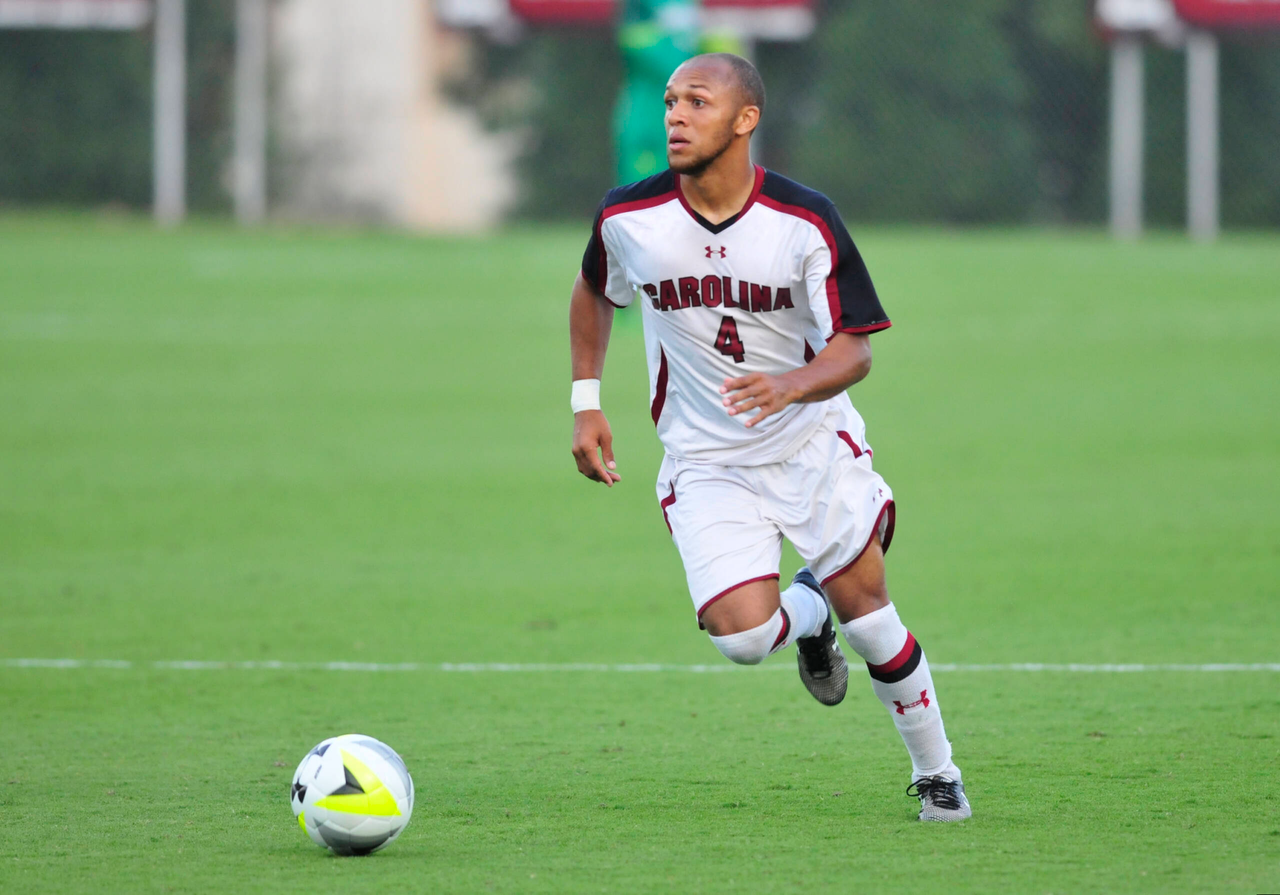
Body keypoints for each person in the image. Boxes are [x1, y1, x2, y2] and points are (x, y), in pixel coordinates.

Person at [568, 53, 970, 821]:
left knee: (872, 619)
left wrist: (791, 384)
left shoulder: (803, 220)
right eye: (670, 101)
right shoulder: (628, 218)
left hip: (810, 445)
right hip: (706, 460)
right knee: (744, 639)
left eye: (697, 101)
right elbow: (593, 288)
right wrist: (586, 400)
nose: (675, 115)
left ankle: (938, 773)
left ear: (745, 119)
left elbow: (856, 348)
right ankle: (808, 612)